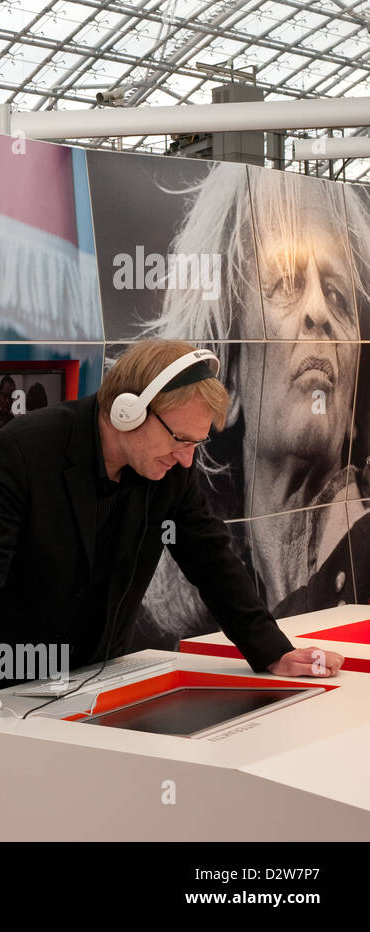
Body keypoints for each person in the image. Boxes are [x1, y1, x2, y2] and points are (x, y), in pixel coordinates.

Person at [0, 339, 346, 764]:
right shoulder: (26, 447)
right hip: (3, 674)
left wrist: (272, 651)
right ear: (128, 411)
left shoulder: (171, 469)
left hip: (93, 674)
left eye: (197, 444)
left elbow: (210, 558)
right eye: (180, 439)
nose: (187, 460)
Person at [132, 165, 370, 645]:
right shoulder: (188, 575)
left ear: (350, 409)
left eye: (337, 295)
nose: (318, 313)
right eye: (285, 283)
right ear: (230, 382)